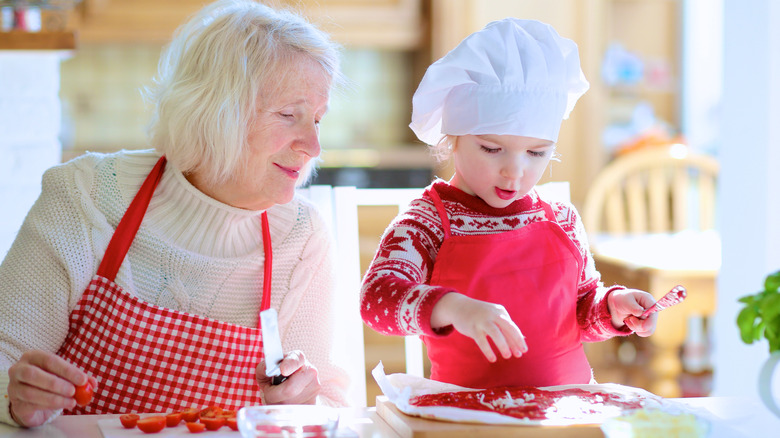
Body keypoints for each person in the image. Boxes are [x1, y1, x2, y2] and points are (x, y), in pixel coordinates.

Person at [0, 0, 349, 428]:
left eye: (317, 119)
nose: (314, 147)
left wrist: (303, 405)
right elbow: (6, 360)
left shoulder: (304, 239)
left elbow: (334, 408)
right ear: (214, 113)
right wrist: (15, 399)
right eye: (288, 115)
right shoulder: (85, 196)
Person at [360, 18, 659, 390]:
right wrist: (452, 307)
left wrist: (613, 308)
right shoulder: (427, 223)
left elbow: (581, 310)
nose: (514, 172)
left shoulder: (562, 219)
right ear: (453, 138)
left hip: (565, 413)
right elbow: (376, 298)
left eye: (537, 153)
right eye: (491, 148)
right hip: (468, 419)